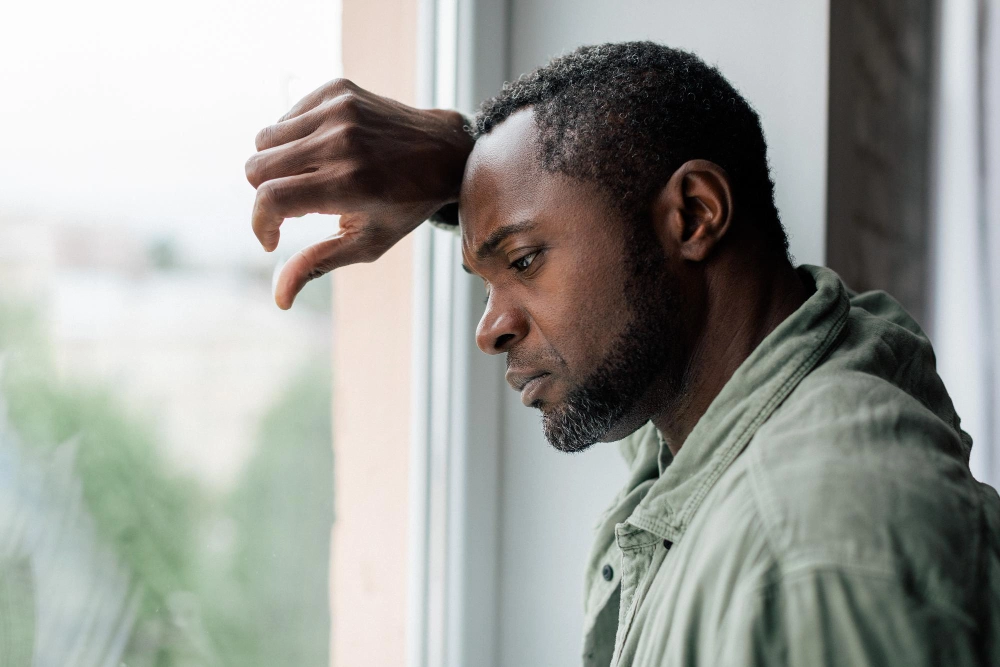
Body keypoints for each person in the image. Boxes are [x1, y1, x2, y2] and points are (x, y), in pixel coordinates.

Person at [244, 41, 1000, 667]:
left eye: (526, 260)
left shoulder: (809, 554)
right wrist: (461, 167)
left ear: (695, 216)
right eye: (485, 278)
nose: (491, 327)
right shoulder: (726, 408)